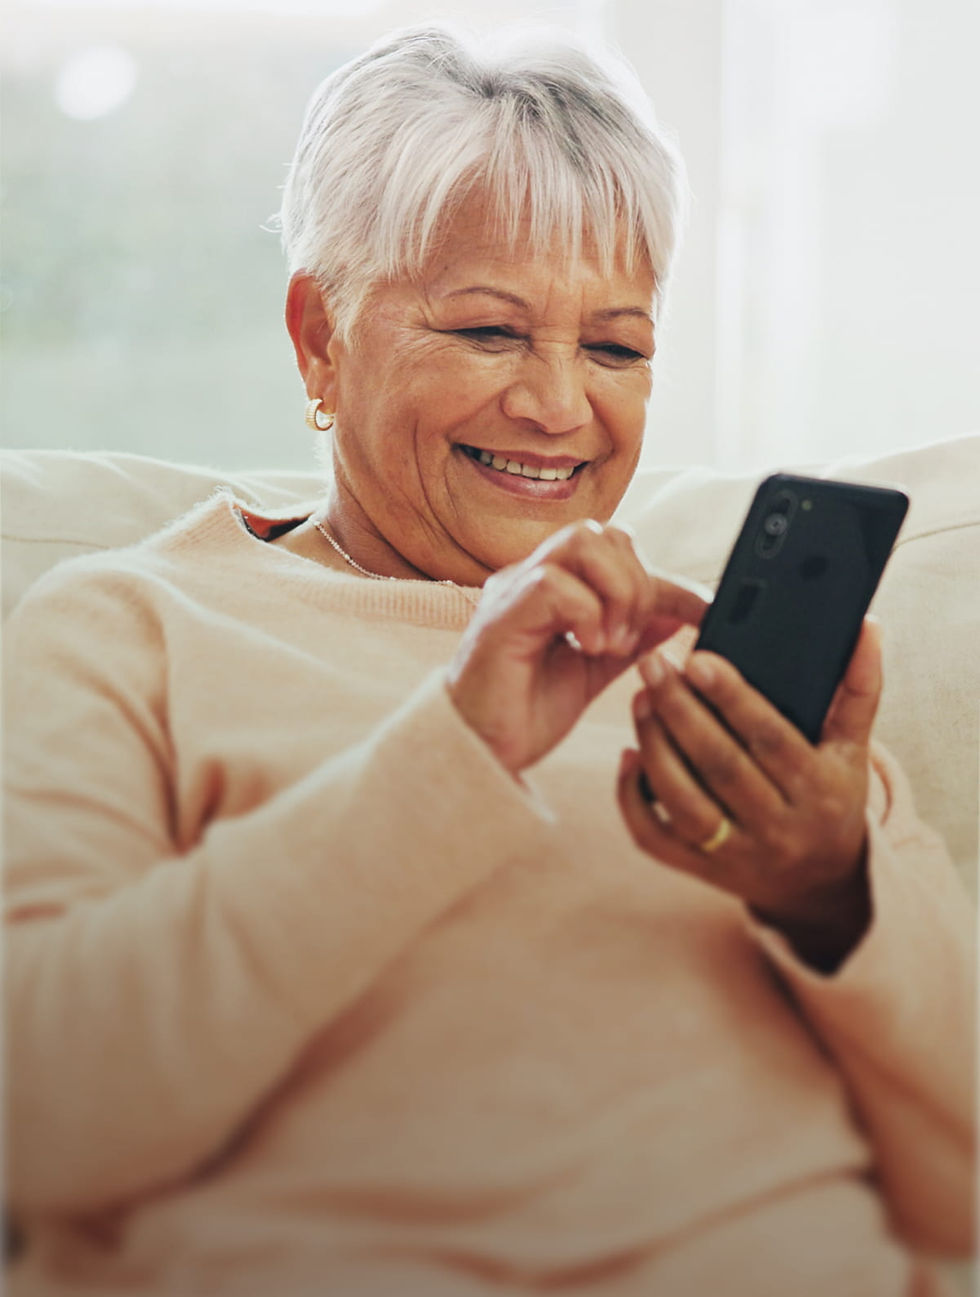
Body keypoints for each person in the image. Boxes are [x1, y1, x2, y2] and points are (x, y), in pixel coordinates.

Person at [3, 24, 973, 1297]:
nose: (561, 406)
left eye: (616, 347)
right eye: (486, 331)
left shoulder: (720, 673)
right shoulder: (126, 626)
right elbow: (46, 1121)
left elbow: (958, 1187)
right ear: (319, 336)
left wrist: (830, 889)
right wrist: (449, 756)